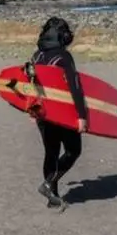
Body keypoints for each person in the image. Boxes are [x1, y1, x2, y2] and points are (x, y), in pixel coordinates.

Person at [29, 17, 88, 210]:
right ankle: (48, 184)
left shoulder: (36, 56)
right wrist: (81, 116)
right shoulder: (63, 57)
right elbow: (75, 87)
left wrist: (32, 110)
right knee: (73, 150)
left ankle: (52, 197)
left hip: (42, 113)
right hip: (62, 112)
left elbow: (31, 86)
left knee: (51, 152)